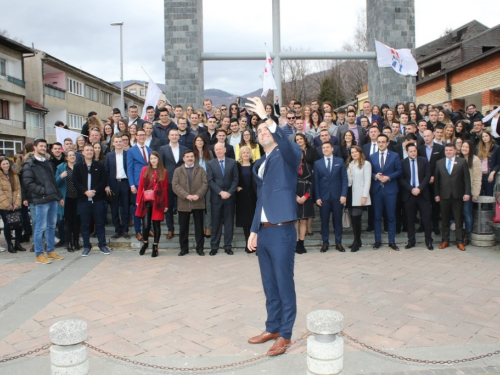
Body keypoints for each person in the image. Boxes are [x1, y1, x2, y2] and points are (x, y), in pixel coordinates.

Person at [246, 97, 302, 356]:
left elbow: (288, 146)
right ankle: (273, 326)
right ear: (256, 139)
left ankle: (286, 334)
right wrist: (254, 229)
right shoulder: (259, 165)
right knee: (269, 284)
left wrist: (267, 117)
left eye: (266, 128)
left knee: (283, 282)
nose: (263, 132)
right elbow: (262, 199)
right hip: (265, 231)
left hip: (282, 230)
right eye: (259, 131)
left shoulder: (288, 155)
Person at [22, 138, 65, 264]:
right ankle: (39, 254)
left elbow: (53, 181)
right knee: (40, 228)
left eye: (45, 146)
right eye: (41, 146)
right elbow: (28, 183)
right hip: (41, 200)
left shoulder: (47, 162)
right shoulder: (29, 164)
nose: (43, 148)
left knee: (51, 226)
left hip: (52, 199)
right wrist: (44, 190)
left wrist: (59, 196)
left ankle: (50, 250)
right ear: (35, 147)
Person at [73, 144, 110, 256]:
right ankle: (86, 246)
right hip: (84, 200)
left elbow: (103, 180)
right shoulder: (78, 166)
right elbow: (76, 182)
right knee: (85, 224)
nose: (89, 152)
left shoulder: (99, 165)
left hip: (97, 199)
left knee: (100, 223)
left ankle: (102, 245)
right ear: (82, 152)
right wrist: (85, 191)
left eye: (91, 150)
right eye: (87, 150)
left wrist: (94, 191)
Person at [434, 143, 471, 251]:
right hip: (444, 195)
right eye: (447, 150)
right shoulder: (439, 163)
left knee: (458, 219)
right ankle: (445, 240)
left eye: (450, 150)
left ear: (455, 151)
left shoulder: (462, 162)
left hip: (458, 195)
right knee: (445, 219)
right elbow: (436, 180)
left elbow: (466, 179)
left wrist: (467, 193)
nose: (448, 152)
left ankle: (459, 241)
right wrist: (436, 194)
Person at [314, 142, 348, 253]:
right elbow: (316, 182)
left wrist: (344, 194)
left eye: (328, 147)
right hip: (324, 197)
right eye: (323, 148)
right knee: (324, 221)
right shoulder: (317, 163)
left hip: (337, 197)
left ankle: (338, 243)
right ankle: (325, 243)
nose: (326, 149)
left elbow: (344, 179)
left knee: (337, 221)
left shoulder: (340, 161)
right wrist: (317, 197)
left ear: (332, 149)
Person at [172, 150, 208, 256]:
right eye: (187, 156)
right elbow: (175, 185)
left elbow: (205, 183)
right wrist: (186, 195)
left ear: (194, 158)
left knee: (199, 227)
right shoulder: (178, 171)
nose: (190, 158)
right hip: (184, 203)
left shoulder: (201, 170)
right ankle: (184, 249)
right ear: (183, 158)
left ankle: (200, 248)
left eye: (191, 156)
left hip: (198, 202)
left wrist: (198, 195)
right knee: (183, 228)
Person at [370, 134, 402, 250]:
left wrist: (389, 177)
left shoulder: (394, 156)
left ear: (387, 143)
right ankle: (377, 241)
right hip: (377, 190)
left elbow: (399, 171)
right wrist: (375, 176)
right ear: (377, 143)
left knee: (391, 217)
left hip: (390, 190)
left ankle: (391, 241)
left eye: (383, 141)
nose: (381, 144)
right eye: (379, 142)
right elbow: (369, 171)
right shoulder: (372, 156)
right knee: (377, 216)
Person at [399, 144, 433, 250]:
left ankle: (429, 241)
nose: (413, 153)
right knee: (410, 219)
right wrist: (411, 189)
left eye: (415, 151)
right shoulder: (402, 163)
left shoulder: (423, 160)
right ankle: (411, 241)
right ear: (407, 152)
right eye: (411, 151)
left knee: (426, 219)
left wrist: (419, 188)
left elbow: (427, 176)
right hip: (409, 195)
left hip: (422, 194)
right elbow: (401, 179)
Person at [206, 143, 238, 255]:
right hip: (216, 197)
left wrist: (229, 192)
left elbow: (235, 179)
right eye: (216, 149)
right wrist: (220, 192)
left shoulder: (232, 162)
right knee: (216, 223)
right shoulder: (210, 163)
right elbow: (210, 180)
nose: (218, 151)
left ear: (225, 149)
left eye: (220, 149)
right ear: (214, 151)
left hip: (229, 197)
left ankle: (228, 246)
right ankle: (214, 246)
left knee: (229, 223)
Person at [135, 151, 168, 257]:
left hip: (158, 201)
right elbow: (140, 185)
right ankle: (145, 243)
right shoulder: (145, 170)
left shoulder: (163, 171)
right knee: (145, 226)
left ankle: (155, 246)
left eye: (155, 158)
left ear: (158, 159)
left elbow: (165, 189)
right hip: (146, 201)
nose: (153, 160)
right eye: (151, 158)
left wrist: (166, 205)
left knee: (156, 225)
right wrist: (137, 200)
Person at [159, 129, 188, 239]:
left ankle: (182, 229)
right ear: (169, 136)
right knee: (169, 207)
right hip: (168, 182)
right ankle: (170, 229)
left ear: (179, 136)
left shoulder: (184, 149)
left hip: (182, 182)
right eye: (172, 135)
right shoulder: (163, 149)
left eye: (176, 135)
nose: (175, 137)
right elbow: (161, 166)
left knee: (182, 207)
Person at [127, 128, 152, 241]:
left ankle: (148, 228)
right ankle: (138, 231)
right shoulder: (131, 151)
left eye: (144, 135)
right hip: (137, 184)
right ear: (136, 136)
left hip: (149, 184)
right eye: (140, 135)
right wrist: (131, 184)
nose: (142, 137)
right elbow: (129, 168)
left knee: (149, 208)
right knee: (138, 208)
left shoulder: (150, 150)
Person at [418, 129, 445, 235]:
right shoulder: (420, 149)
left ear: (433, 136)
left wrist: (434, 176)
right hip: (423, 181)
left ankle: (435, 226)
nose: (426, 138)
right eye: (424, 136)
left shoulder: (440, 148)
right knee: (423, 204)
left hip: (436, 181)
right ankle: (423, 225)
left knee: (435, 205)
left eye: (428, 136)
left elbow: (441, 164)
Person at [346, 146, 371, 252]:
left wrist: (365, 195)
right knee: (353, 217)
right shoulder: (350, 164)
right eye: (352, 152)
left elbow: (367, 181)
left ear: (360, 152)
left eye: (356, 152)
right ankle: (357, 240)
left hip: (360, 194)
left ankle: (357, 241)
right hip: (350, 193)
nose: (354, 154)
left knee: (357, 218)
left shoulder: (366, 164)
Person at [104, 136, 130, 239]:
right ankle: (117, 230)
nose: (119, 143)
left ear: (123, 143)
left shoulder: (128, 154)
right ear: (113, 143)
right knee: (114, 209)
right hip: (113, 183)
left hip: (125, 183)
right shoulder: (109, 156)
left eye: (120, 141)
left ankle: (125, 230)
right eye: (116, 142)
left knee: (126, 208)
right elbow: (106, 171)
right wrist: (106, 185)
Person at [55, 150, 81, 252]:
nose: (72, 157)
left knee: (76, 221)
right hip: (66, 199)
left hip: (78, 198)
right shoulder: (61, 168)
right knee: (68, 222)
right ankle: (68, 242)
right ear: (66, 158)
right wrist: (61, 177)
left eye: (73, 155)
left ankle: (76, 241)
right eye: (70, 155)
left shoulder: (79, 167)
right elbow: (56, 184)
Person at [0, 157, 26, 253]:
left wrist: (16, 202)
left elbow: (18, 189)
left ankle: (17, 243)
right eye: (3, 164)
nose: (6, 166)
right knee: (8, 224)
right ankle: (9, 244)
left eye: (7, 163)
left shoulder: (14, 174)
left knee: (18, 223)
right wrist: (7, 204)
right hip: (4, 205)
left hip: (15, 204)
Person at [235, 146, 257, 254]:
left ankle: (254, 244)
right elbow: (234, 177)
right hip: (242, 196)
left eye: (247, 152)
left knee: (253, 221)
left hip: (253, 196)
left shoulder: (254, 165)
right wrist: (236, 187)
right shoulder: (237, 165)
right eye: (244, 153)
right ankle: (247, 244)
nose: (246, 154)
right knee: (245, 222)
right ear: (241, 154)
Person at [460, 141, 481, 245]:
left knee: (466, 212)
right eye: (463, 146)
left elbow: (477, 177)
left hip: (469, 191)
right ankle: (460, 234)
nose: (464, 148)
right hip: (457, 191)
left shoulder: (475, 159)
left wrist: (475, 192)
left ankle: (467, 234)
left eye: (466, 147)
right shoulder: (458, 158)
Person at [295, 150, 314, 254]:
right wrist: (296, 197)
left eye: (301, 154)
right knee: (295, 221)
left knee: (303, 221)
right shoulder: (290, 167)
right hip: (294, 197)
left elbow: (312, 183)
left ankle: (301, 243)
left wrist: (306, 196)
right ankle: (296, 242)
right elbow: (288, 183)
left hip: (306, 197)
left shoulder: (308, 167)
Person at [477, 131, 500, 197]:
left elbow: (498, 163)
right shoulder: (478, 148)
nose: (485, 138)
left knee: (489, 195)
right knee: (479, 194)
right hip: (479, 175)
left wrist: (493, 172)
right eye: (483, 136)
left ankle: (490, 207)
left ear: (490, 136)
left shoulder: (496, 148)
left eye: (486, 136)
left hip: (489, 174)